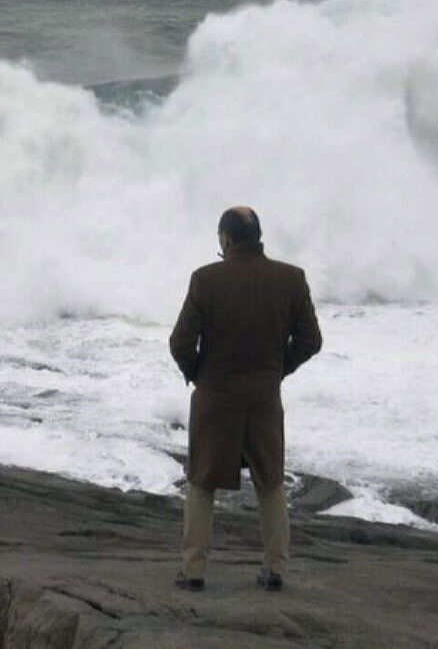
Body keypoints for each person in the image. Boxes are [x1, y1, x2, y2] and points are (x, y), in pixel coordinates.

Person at [168, 206, 322, 592]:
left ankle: (193, 570)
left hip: (215, 397)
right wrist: (278, 369)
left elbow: (180, 343)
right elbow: (311, 341)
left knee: (201, 484)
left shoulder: (206, 279)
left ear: (226, 238)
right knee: (270, 484)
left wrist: (198, 373)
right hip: (264, 398)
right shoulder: (291, 278)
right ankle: (275, 570)